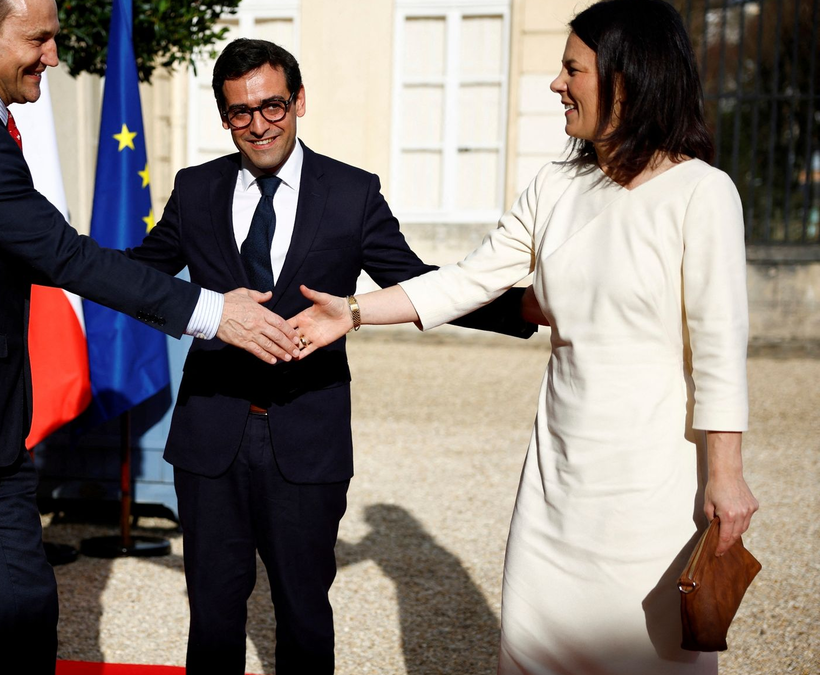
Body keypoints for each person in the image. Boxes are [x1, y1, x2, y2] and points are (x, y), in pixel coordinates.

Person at [290, 1, 759, 673]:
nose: (556, 84)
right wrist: (353, 312)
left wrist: (727, 475)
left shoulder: (701, 193)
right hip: (555, 486)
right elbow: (466, 278)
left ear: (626, 78)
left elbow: (719, 348)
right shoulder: (556, 186)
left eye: (572, 68)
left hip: (648, 493)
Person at [0, 2, 303, 673]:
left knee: (21, 607)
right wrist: (211, 312)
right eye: (40, 39)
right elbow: (61, 255)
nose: (53, 56)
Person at [127, 38, 535, 674]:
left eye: (273, 106)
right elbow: (137, 280)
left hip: (306, 437)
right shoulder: (196, 188)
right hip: (210, 436)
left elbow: (416, 278)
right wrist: (196, 305)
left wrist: (527, 309)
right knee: (211, 616)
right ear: (223, 116)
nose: (259, 124)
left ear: (299, 102)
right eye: (240, 112)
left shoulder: (351, 192)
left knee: (304, 615)